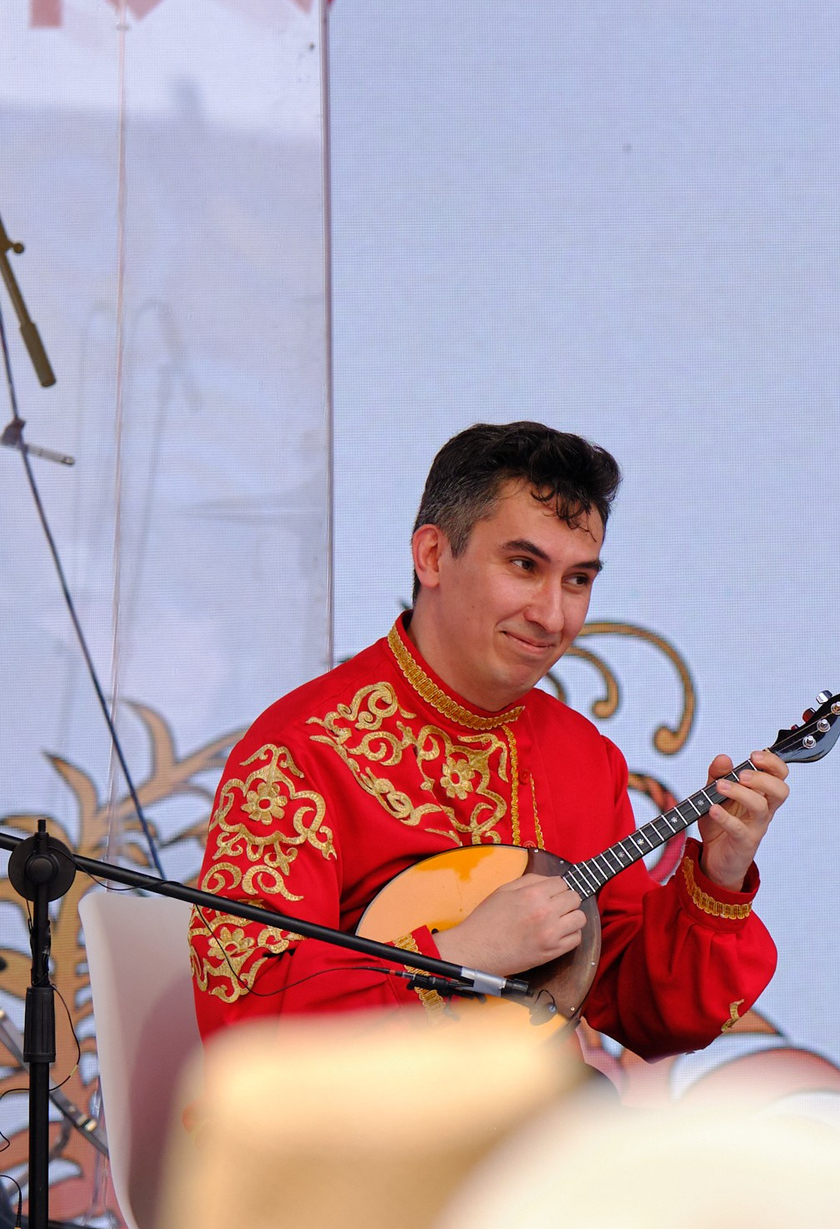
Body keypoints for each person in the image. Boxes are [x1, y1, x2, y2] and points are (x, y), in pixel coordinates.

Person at [188, 422, 788, 1056]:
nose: (553, 615)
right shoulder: (299, 754)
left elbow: (650, 1016)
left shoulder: (584, 759)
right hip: (351, 1141)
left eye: (578, 580)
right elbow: (245, 1019)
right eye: (525, 566)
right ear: (432, 556)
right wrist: (459, 954)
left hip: (530, 1133)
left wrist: (719, 878)